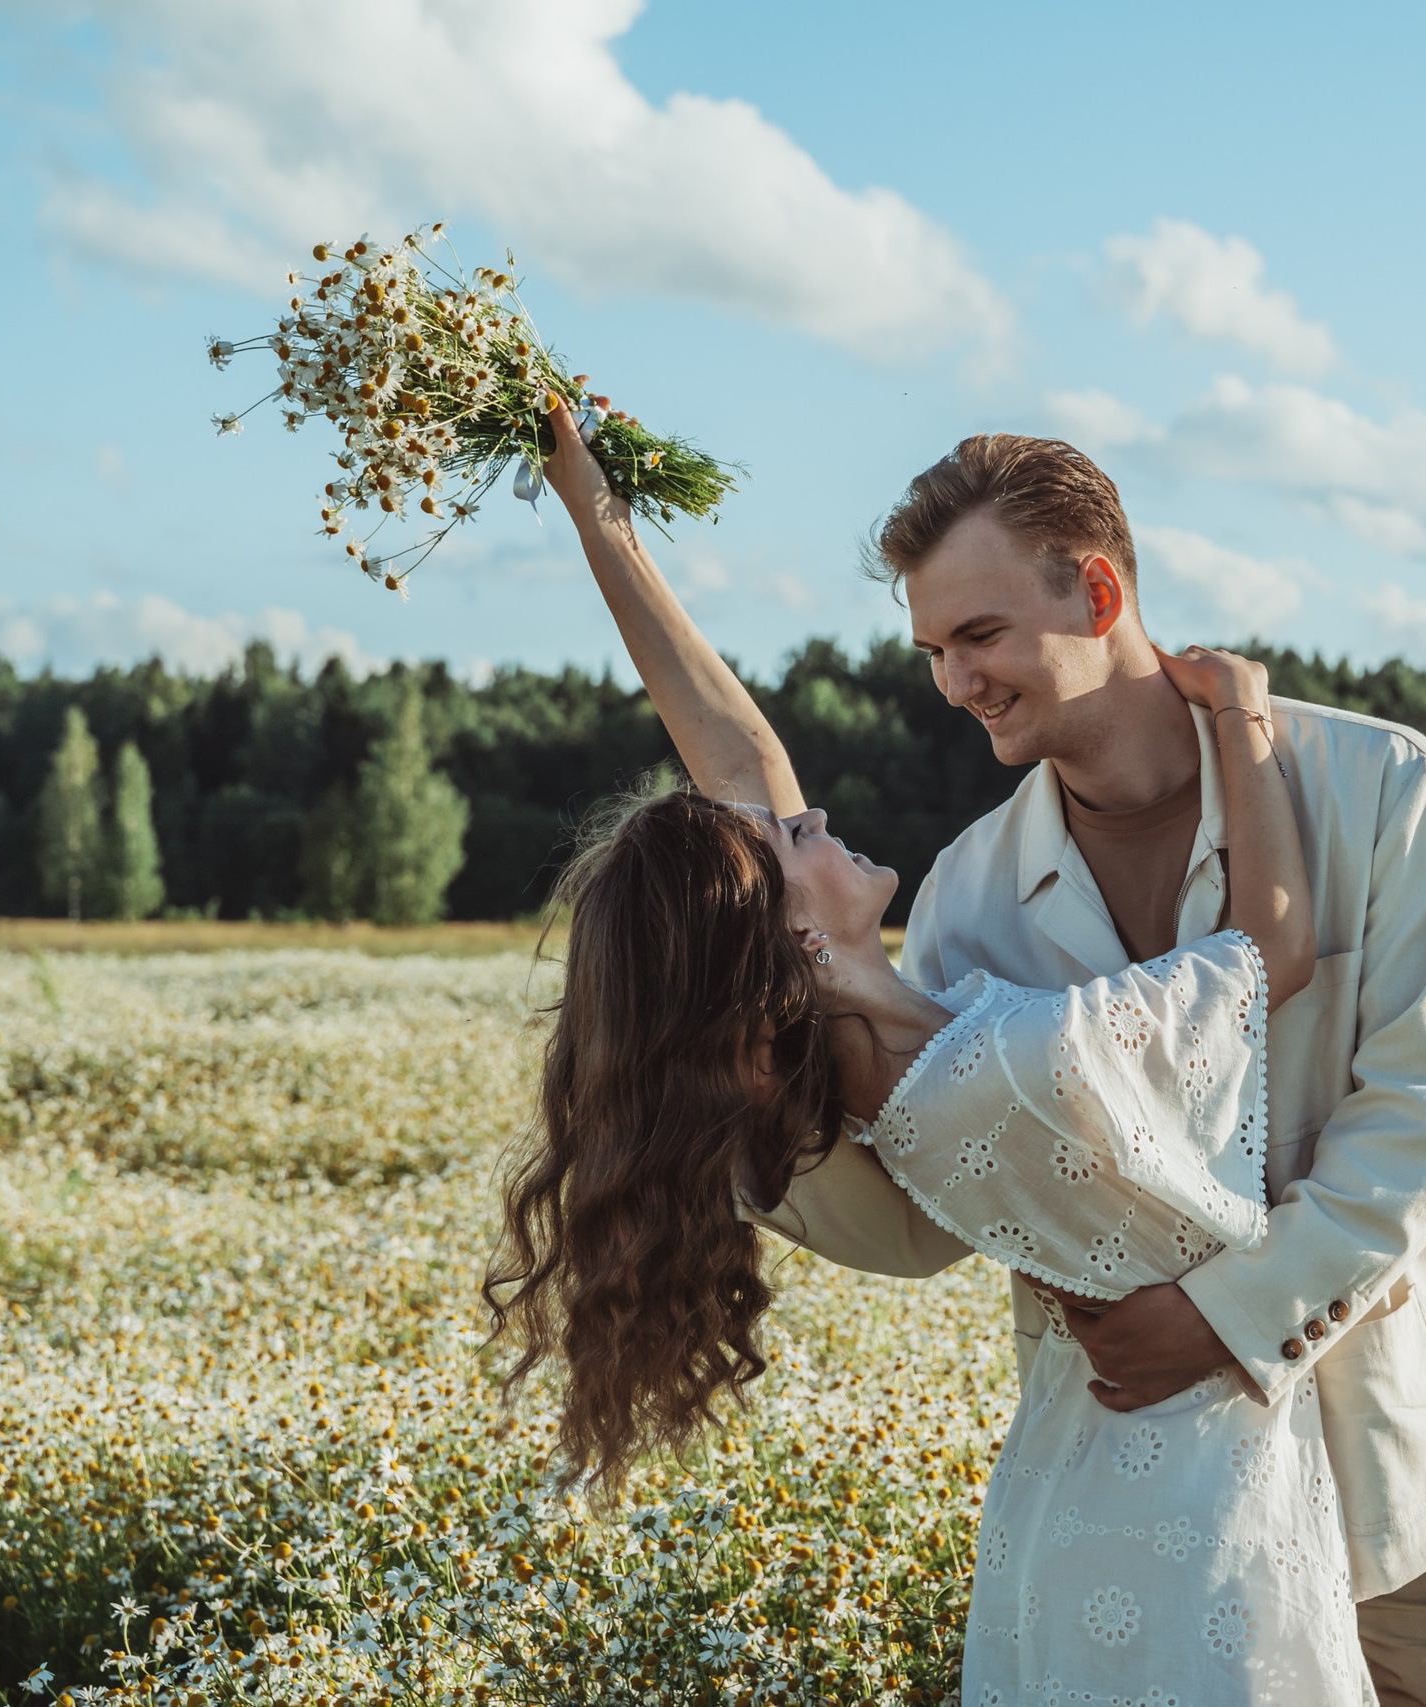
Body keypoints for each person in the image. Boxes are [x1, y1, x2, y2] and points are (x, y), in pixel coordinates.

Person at [487, 401, 1378, 1701]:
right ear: (790, 946)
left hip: (1086, 1487)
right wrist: (1242, 711)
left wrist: (594, 506)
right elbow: (1271, 954)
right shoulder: (1008, 1060)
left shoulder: (889, 1063)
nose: (810, 812)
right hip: (1197, 1526)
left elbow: (737, 753)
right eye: (791, 841)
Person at [757, 436, 1426, 1706]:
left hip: (1418, 1460)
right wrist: (711, 1115)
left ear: (1097, 595)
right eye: (931, 652)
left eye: (979, 634)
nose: (954, 682)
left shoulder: (1381, 785)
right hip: (1164, 1508)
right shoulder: (970, 892)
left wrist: (1221, 1319)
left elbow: (1424, 1112)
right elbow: (943, 1203)